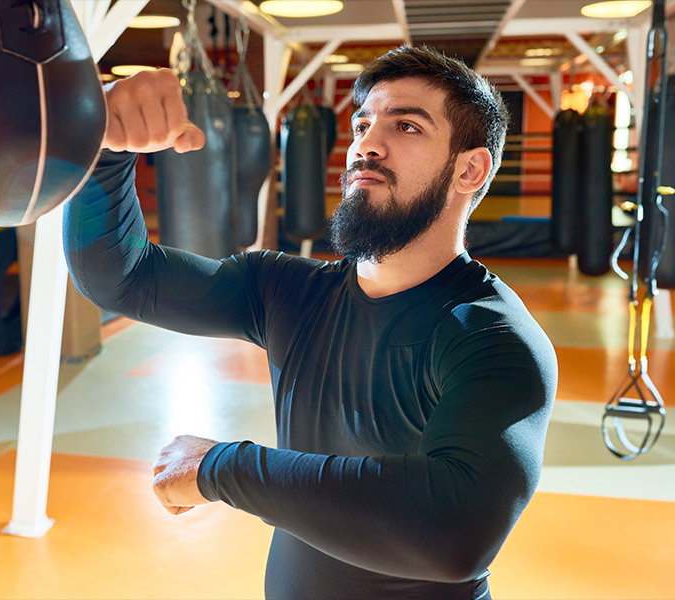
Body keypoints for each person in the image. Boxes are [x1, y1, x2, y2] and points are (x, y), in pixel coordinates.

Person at [63, 45, 558, 599]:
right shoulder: (287, 291)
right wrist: (104, 155)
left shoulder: (490, 338)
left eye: (407, 126)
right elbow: (120, 278)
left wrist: (222, 468)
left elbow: (453, 535)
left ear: (469, 169)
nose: (367, 144)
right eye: (364, 123)